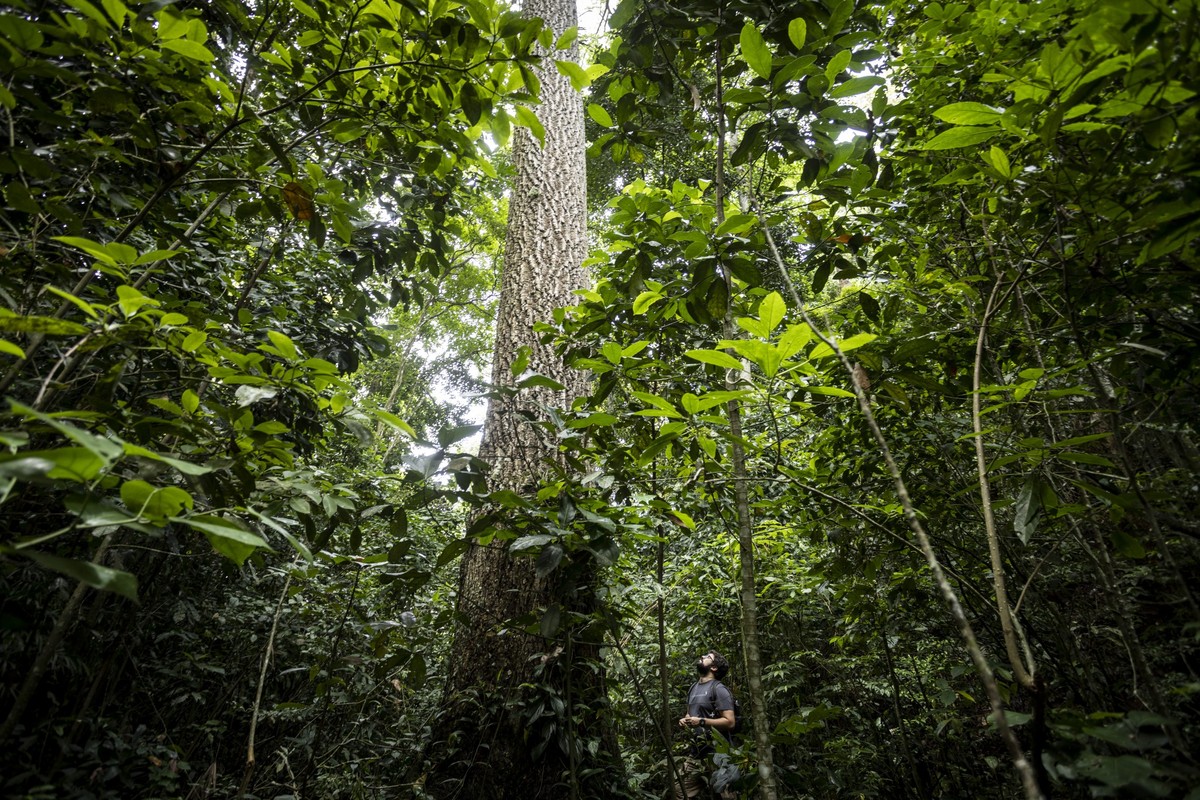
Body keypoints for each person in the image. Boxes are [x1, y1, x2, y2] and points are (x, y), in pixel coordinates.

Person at [671, 650, 738, 799]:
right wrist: (686, 720)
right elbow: (690, 714)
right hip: (697, 753)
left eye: (708, 657)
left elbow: (730, 722)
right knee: (679, 791)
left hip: (719, 754)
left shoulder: (719, 689)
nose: (702, 657)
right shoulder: (693, 688)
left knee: (726, 796)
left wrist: (701, 721)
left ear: (714, 667)